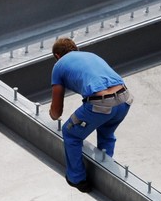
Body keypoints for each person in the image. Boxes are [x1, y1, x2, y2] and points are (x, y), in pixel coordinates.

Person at [49, 38, 133, 193]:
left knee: (71, 133)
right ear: (76, 49)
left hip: (100, 103)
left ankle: (77, 178)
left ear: (57, 55)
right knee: (106, 132)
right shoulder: (92, 55)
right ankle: (105, 171)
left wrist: (53, 115)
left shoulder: (59, 65)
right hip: (125, 99)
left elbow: (57, 110)